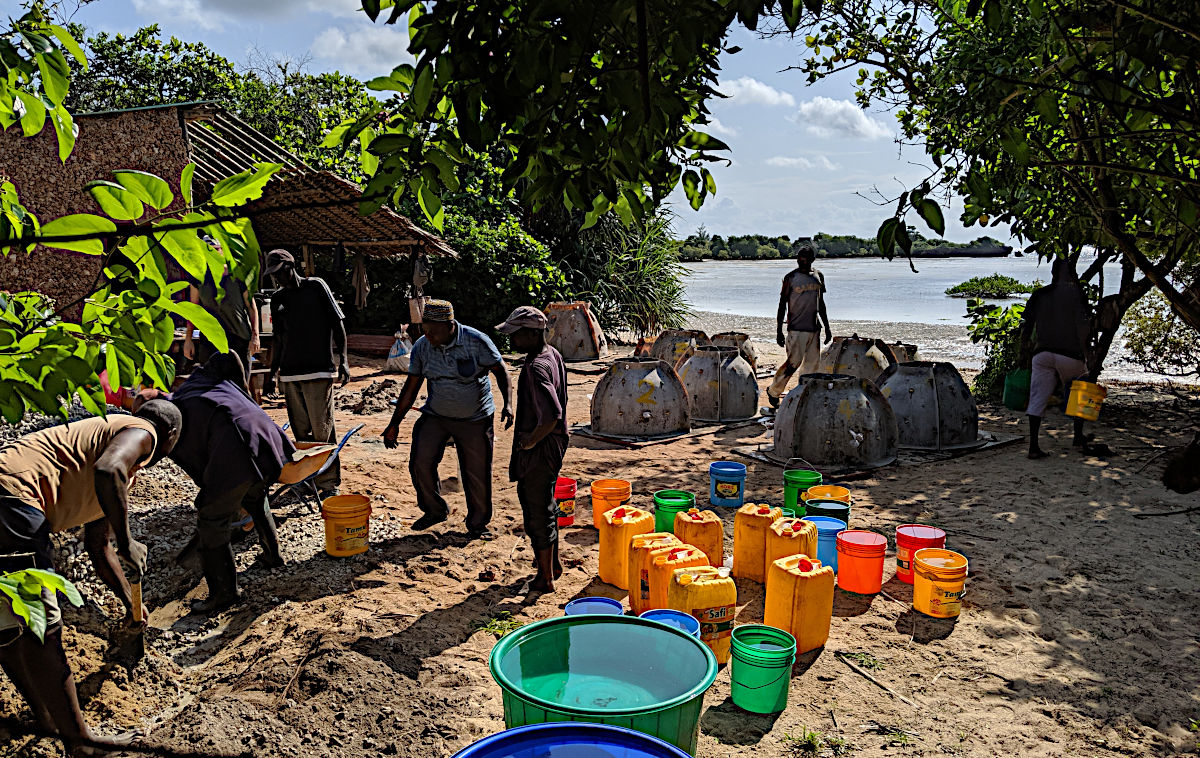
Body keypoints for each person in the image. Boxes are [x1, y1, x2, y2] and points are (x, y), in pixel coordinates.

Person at [0, 401, 182, 755]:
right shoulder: (140, 433)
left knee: (8, 624)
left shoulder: (111, 459)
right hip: (13, 499)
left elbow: (99, 549)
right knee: (42, 629)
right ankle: (82, 745)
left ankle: (44, 718)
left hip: (6, 497)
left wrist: (130, 602)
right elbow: (107, 469)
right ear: (170, 437)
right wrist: (129, 540)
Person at [138, 354, 295, 613]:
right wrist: (242, 392)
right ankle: (272, 556)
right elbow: (229, 356)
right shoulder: (194, 385)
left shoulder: (171, 429)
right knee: (255, 496)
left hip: (237, 446)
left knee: (211, 519)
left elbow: (203, 476)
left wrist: (215, 503)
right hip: (265, 433)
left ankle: (225, 594)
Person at [382, 300, 513, 539]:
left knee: (476, 472)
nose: (427, 336)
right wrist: (394, 424)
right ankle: (434, 510)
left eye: (433, 331)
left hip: (475, 418)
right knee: (420, 461)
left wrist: (509, 404)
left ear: (450, 325)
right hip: (437, 415)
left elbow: (501, 370)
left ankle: (477, 523)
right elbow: (411, 388)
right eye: (424, 330)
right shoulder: (423, 347)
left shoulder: (476, 341)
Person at [262, 249, 348, 498]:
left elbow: (337, 322)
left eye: (280, 273)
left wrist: (343, 360)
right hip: (290, 374)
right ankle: (306, 481)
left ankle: (328, 484)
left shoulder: (316, 287)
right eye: (273, 276)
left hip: (318, 369)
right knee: (301, 434)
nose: (278, 280)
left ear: (291, 267)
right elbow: (278, 339)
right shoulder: (277, 299)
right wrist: (271, 373)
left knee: (322, 431)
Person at [497, 307, 569, 592]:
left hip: (542, 445)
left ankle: (545, 578)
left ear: (531, 334)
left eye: (515, 335)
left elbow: (553, 413)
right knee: (547, 505)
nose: (511, 341)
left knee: (536, 509)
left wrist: (530, 441)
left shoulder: (537, 366)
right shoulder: (552, 355)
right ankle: (553, 565)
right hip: (553, 444)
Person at [1019, 257, 1095, 459]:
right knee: (1083, 390)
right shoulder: (1076, 294)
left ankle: (1033, 446)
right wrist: (1088, 354)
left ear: (1053, 273)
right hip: (1069, 355)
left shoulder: (1039, 294)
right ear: (1071, 274)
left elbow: (1026, 327)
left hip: (1042, 355)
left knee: (1037, 399)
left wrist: (1024, 351)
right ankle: (1078, 438)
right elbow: (1083, 327)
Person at [767, 239, 832, 408]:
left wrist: (827, 327)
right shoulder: (790, 278)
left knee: (812, 365)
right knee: (792, 363)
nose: (800, 261)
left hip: (814, 329)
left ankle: (804, 394)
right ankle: (773, 391)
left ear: (812, 259)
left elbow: (821, 304)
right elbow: (782, 304)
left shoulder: (819, 276)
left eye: (804, 259)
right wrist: (779, 331)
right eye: (798, 259)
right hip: (796, 328)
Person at [181, 240, 260, 378]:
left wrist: (255, 335)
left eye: (215, 250)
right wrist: (188, 339)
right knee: (211, 388)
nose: (212, 254)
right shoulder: (198, 277)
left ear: (222, 251)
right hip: (210, 340)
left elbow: (251, 306)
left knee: (239, 387)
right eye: (207, 251)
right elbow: (193, 309)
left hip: (238, 337)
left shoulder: (237, 273)